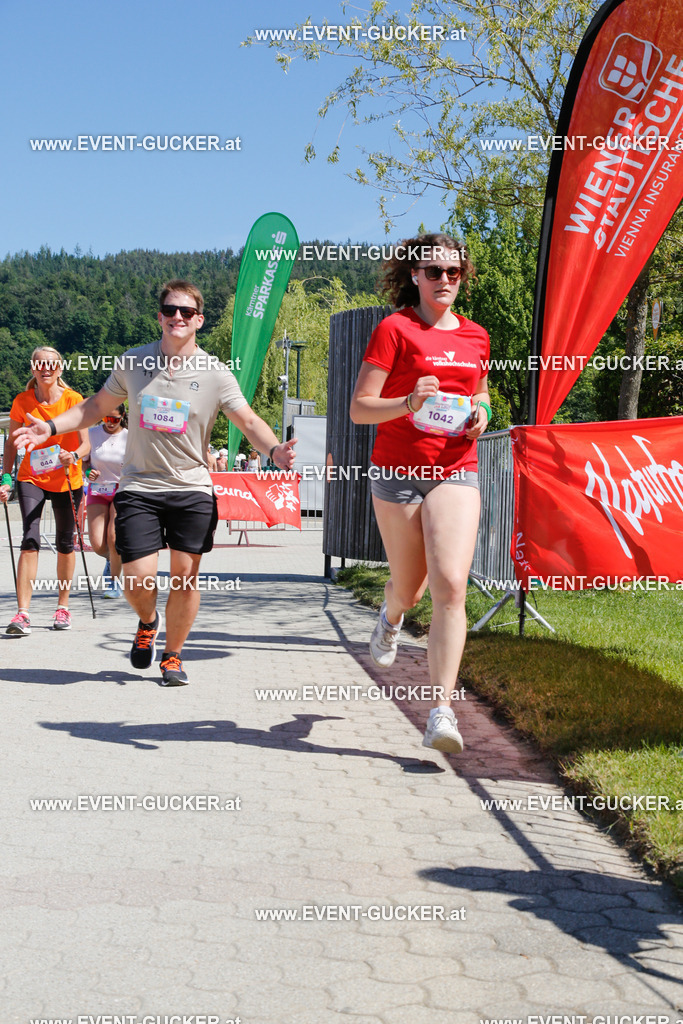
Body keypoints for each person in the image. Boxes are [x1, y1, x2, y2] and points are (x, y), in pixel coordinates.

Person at [14, 280, 296, 685]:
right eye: (169, 310)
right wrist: (49, 428)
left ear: (199, 319)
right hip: (140, 487)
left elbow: (249, 421)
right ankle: (148, 619)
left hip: (192, 487)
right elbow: (94, 408)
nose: (176, 317)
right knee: (136, 578)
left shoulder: (216, 373)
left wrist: (274, 451)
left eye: (185, 311)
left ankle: (173, 657)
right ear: (159, 316)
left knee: (185, 576)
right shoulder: (134, 363)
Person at [349, 233, 490, 754]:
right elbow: (360, 408)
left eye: (454, 272)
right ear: (415, 275)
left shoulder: (477, 336)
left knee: (451, 585)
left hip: (457, 466)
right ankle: (390, 616)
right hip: (398, 471)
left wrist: (482, 415)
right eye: (435, 272)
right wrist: (408, 401)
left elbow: (481, 393)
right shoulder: (395, 328)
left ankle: (441, 713)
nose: (445, 281)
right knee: (410, 587)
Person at [0, 347, 90, 634]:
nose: (46, 368)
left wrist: (73, 457)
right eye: (40, 364)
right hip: (32, 478)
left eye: (52, 364)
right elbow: (11, 444)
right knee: (30, 538)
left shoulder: (74, 400)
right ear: (33, 369)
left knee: (65, 542)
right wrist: (5, 477)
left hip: (66, 478)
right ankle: (22, 613)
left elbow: (86, 445)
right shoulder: (22, 402)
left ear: (60, 369)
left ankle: (62, 607)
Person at [84, 404, 128, 598]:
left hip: (122, 489)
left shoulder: (129, 436)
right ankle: (112, 560)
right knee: (97, 544)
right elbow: (84, 460)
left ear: (122, 417)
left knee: (113, 537)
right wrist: (87, 471)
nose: (110, 423)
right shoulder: (91, 434)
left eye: (115, 419)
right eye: (106, 419)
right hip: (98, 489)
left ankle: (115, 583)